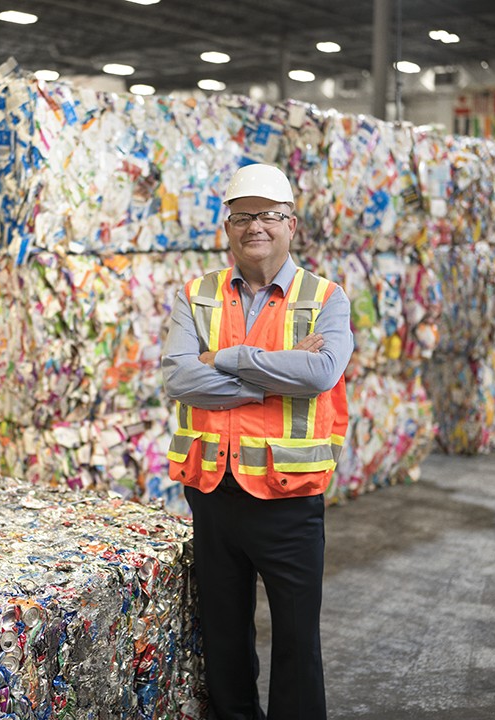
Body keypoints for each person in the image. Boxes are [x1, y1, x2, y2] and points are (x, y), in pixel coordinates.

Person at [161, 163, 353, 720]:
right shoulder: (196, 294)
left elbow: (320, 374)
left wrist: (225, 359)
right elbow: (178, 378)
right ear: (227, 227)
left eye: (269, 216)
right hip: (213, 493)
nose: (256, 228)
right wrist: (269, 379)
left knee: (297, 642)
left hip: (289, 501)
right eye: (243, 217)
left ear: (292, 225)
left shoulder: (325, 297)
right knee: (223, 637)